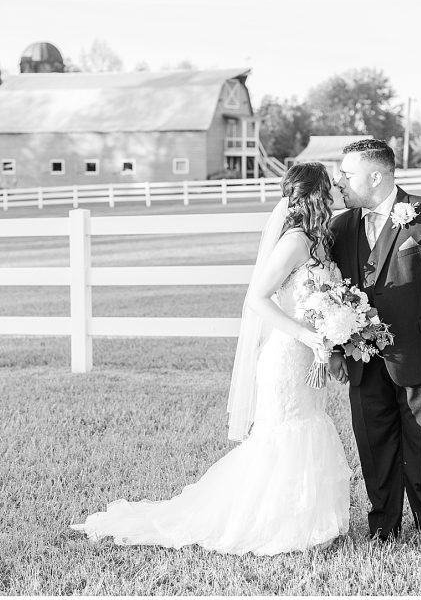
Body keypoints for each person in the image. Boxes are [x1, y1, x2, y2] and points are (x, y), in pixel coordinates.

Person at [70, 162, 352, 556]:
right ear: (317, 193)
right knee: (282, 435)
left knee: (309, 427)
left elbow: (322, 302)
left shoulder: (323, 240)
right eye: (334, 184)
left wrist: (331, 341)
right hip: (286, 357)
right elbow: (255, 299)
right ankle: (272, 523)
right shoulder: (294, 242)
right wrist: (305, 334)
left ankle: (309, 521)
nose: (341, 187)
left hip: (312, 358)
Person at [329, 139, 421, 540]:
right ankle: (383, 528)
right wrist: (338, 349)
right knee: (374, 446)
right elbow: (332, 290)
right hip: (364, 358)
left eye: (346, 173)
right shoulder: (341, 227)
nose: (340, 180)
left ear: (375, 176)